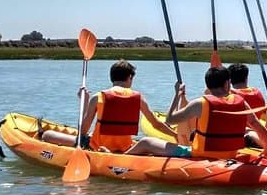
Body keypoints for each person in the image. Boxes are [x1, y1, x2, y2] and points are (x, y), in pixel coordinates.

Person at [39, 59, 177, 153]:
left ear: (112, 78)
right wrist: (176, 135)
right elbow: (157, 125)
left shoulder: (98, 97)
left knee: (47, 135)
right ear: (130, 77)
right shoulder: (139, 98)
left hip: (96, 146)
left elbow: (83, 131)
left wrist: (84, 101)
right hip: (125, 147)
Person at [150, 66, 267, 159]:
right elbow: (261, 130)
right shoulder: (242, 103)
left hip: (201, 154)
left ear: (208, 86)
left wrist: (177, 95)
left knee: (146, 142)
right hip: (231, 154)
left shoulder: (199, 103)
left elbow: (170, 120)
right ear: (227, 83)